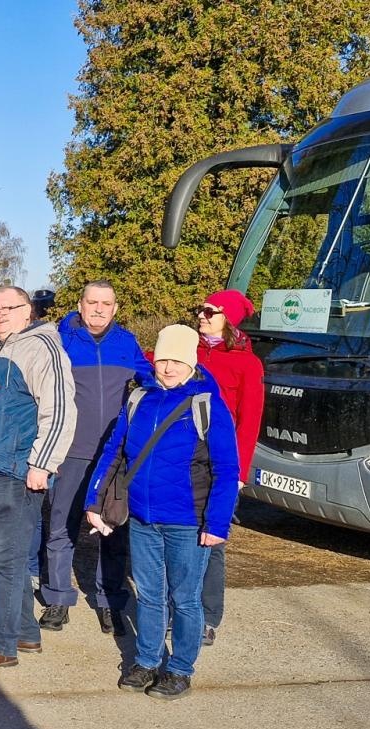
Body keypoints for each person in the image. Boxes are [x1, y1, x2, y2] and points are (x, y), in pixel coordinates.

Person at [87, 324, 240, 700]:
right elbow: (113, 451)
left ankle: (180, 669)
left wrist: (217, 524)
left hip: (189, 522)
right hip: (142, 518)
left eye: (177, 361)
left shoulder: (207, 404)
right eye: (163, 360)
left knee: (185, 598)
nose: (168, 368)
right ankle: (146, 660)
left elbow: (227, 469)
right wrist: (94, 503)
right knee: (151, 595)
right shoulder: (139, 399)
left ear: (191, 363)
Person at [0, 287, 76, 670]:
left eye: (9, 308)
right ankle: (24, 630)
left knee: (7, 558)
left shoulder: (42, 348)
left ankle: (2, 643)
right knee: (2, 558)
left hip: (18, 473)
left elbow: (58, 411)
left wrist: (42, 463)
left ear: (28, 311)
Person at [39, 280, 151, 636]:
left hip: (114, 458)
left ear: (115, 308)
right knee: (61, 525)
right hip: (71, 451)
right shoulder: (63, 340)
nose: (99, 309)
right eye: (92, 302)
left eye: (106, 303)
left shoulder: (127, 343)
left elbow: (152, 379)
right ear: (81, 305)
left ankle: (110, 601)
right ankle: (58, 598)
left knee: (112, 530)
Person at [193, 289, 264, 647]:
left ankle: (207, 617)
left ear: (229, 319)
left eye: (210, 311)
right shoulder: (188, 351)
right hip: (185, 464)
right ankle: (181, 610)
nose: (201, 315)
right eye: (200, 309)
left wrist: (238, 475)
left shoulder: (247, 363)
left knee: (212, 542)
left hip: (222, 467)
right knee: (181, 539)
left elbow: (249, 422)